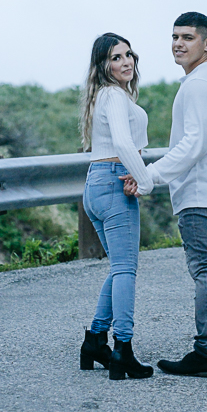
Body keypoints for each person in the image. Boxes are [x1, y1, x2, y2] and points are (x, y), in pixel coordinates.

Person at [123, 12, 207, 378]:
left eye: (188, 37)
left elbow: (193, 145)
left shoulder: (199, 84)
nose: (178, 43)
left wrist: (149, 176)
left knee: (206, 270)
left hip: (204, 191)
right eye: (175, 36)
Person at [78, 33, 155, 381]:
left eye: (128, 55)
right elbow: (124, 143)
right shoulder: (113, 95)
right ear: (103, 66)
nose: (125, 62)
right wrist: (146, 180)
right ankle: (122, 349)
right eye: (115, 58)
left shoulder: (107, 96)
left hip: (97, 183)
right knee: (126, 270)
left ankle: (95, 340)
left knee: (118, 268)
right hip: (113, 183)